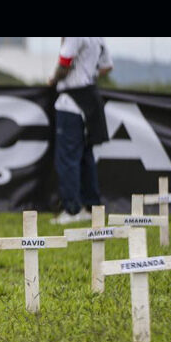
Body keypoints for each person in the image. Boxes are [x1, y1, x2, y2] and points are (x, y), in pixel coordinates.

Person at [48, 37, 114, 225]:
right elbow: (107, 66)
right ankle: (91, 207)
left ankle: (72, 209)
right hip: (90, 98)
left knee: (68, 158)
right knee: (86, 156)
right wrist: (87, 73)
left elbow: (64, 63)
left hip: (71, 101)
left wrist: (53, 79)